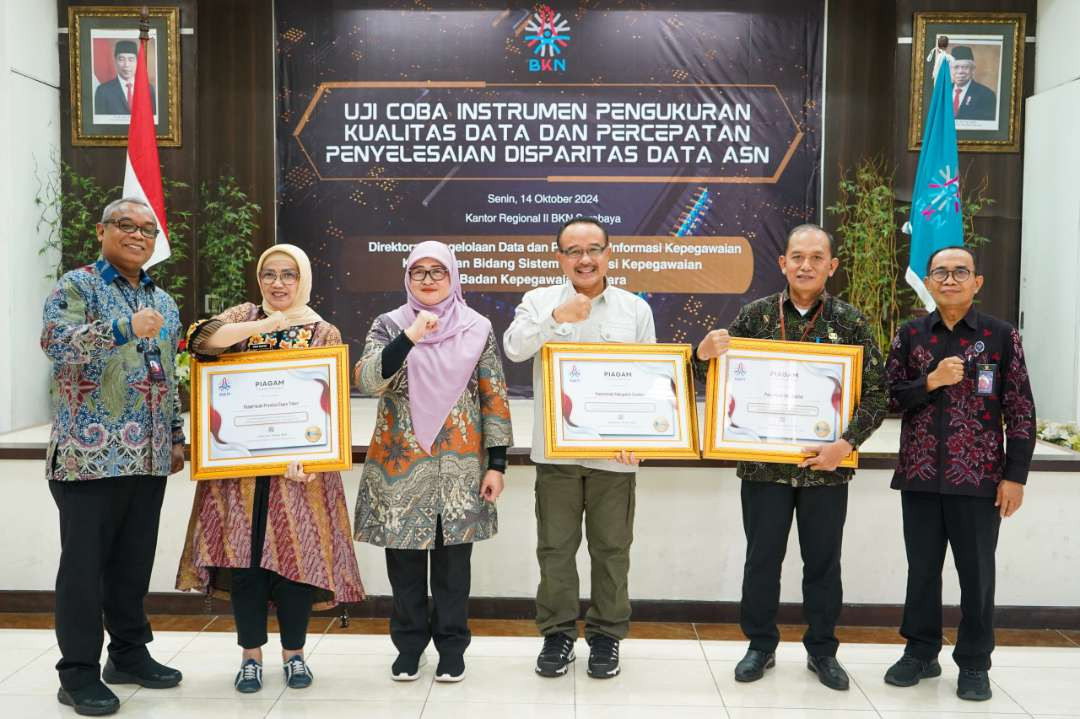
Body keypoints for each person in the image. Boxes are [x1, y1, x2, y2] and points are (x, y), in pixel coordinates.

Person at [695, 224, 887, 691]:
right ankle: (760, 645)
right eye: (797, 257)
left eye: (816, 258)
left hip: (826, 469)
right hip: (763, 469)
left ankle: (822, 650)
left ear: (831, 266)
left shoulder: (851, 321)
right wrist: (703, 353)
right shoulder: (754, 317)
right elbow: (711, 377)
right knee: (762, 560)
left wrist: (846, 443)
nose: (806, 265)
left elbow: (878, 393)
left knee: (823, 562)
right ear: (782, 263)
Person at [175, 244, 365, 694]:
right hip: (238, 473)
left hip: (303, 475)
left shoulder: (323, 332)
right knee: (245, 565)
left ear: (303, 280)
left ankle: (295, 655)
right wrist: (266, 324)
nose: (278, 283)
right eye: (269, 274)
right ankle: (250, 657)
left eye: (288, 275)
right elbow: (199, 341)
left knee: (295, 565)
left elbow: (328, 405)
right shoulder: (242, 317)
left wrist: (312, 457)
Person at [41, 197, 185, 716]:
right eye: (126, 225)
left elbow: (166, 377)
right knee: (83, 569)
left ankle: (127, 655)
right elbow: (57, 344)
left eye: (148, 230)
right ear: (102, 231)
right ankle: (77, 673)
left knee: (132, 565)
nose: (138, 235)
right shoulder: (77, 286)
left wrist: (174, 435)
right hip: (89, 458)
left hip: (147, 458)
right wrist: (124, 328)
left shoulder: (165, 302)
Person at [354, 240, 512, 683]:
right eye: (418, 272)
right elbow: (368, 380)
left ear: (453, 276)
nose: (427, 280)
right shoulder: (389, 325)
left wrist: (496, 464)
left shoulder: (477, 327)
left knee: (452, 570)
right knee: (403, 567)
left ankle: (452, 648)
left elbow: (493, 396)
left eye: (437, 271)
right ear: (407, 277)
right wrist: (411, 336)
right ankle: (408, 647)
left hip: (459, 468)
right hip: (401, 467)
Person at [503, 217, 654, 680]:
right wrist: (556, 320)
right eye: (573, 251)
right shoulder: (538, 302)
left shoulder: (633, 309)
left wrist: (642, 440)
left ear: (610, 253)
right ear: (559, 257)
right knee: (555, 548)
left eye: (593, 249)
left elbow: (650, 379)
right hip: (557, 456)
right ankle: (558, 635)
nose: (584, 259)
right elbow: (513, 349)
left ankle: (607, 637)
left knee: (612, 549)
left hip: (614, 458)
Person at [883, 246, 1035, 701]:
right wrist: (929, 381)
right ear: (928, 282)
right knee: (922, 570)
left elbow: (1021, 409)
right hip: (920, 474)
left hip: (981, 480)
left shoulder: (1001, 336)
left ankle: (973, 662)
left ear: (977, 281)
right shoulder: (911, 335)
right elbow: (887, 398)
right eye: (941, 273)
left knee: (977, 573)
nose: (950, 280)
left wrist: (1016, 476)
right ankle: (921, 651)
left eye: (960, 272)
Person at [93, 40, 157, 116]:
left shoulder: (148, 89)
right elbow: (101, 125)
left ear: (137, 62)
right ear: (115, 61)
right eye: (121, 59)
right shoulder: (103, 91)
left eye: (131, 59)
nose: (126, 65)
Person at [950, 46, 996, 122]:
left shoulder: (986, 95)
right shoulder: (942, 93)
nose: (960, 71)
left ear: (973, 70)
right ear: (950, 70)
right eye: (956, 67)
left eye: (965, 67)